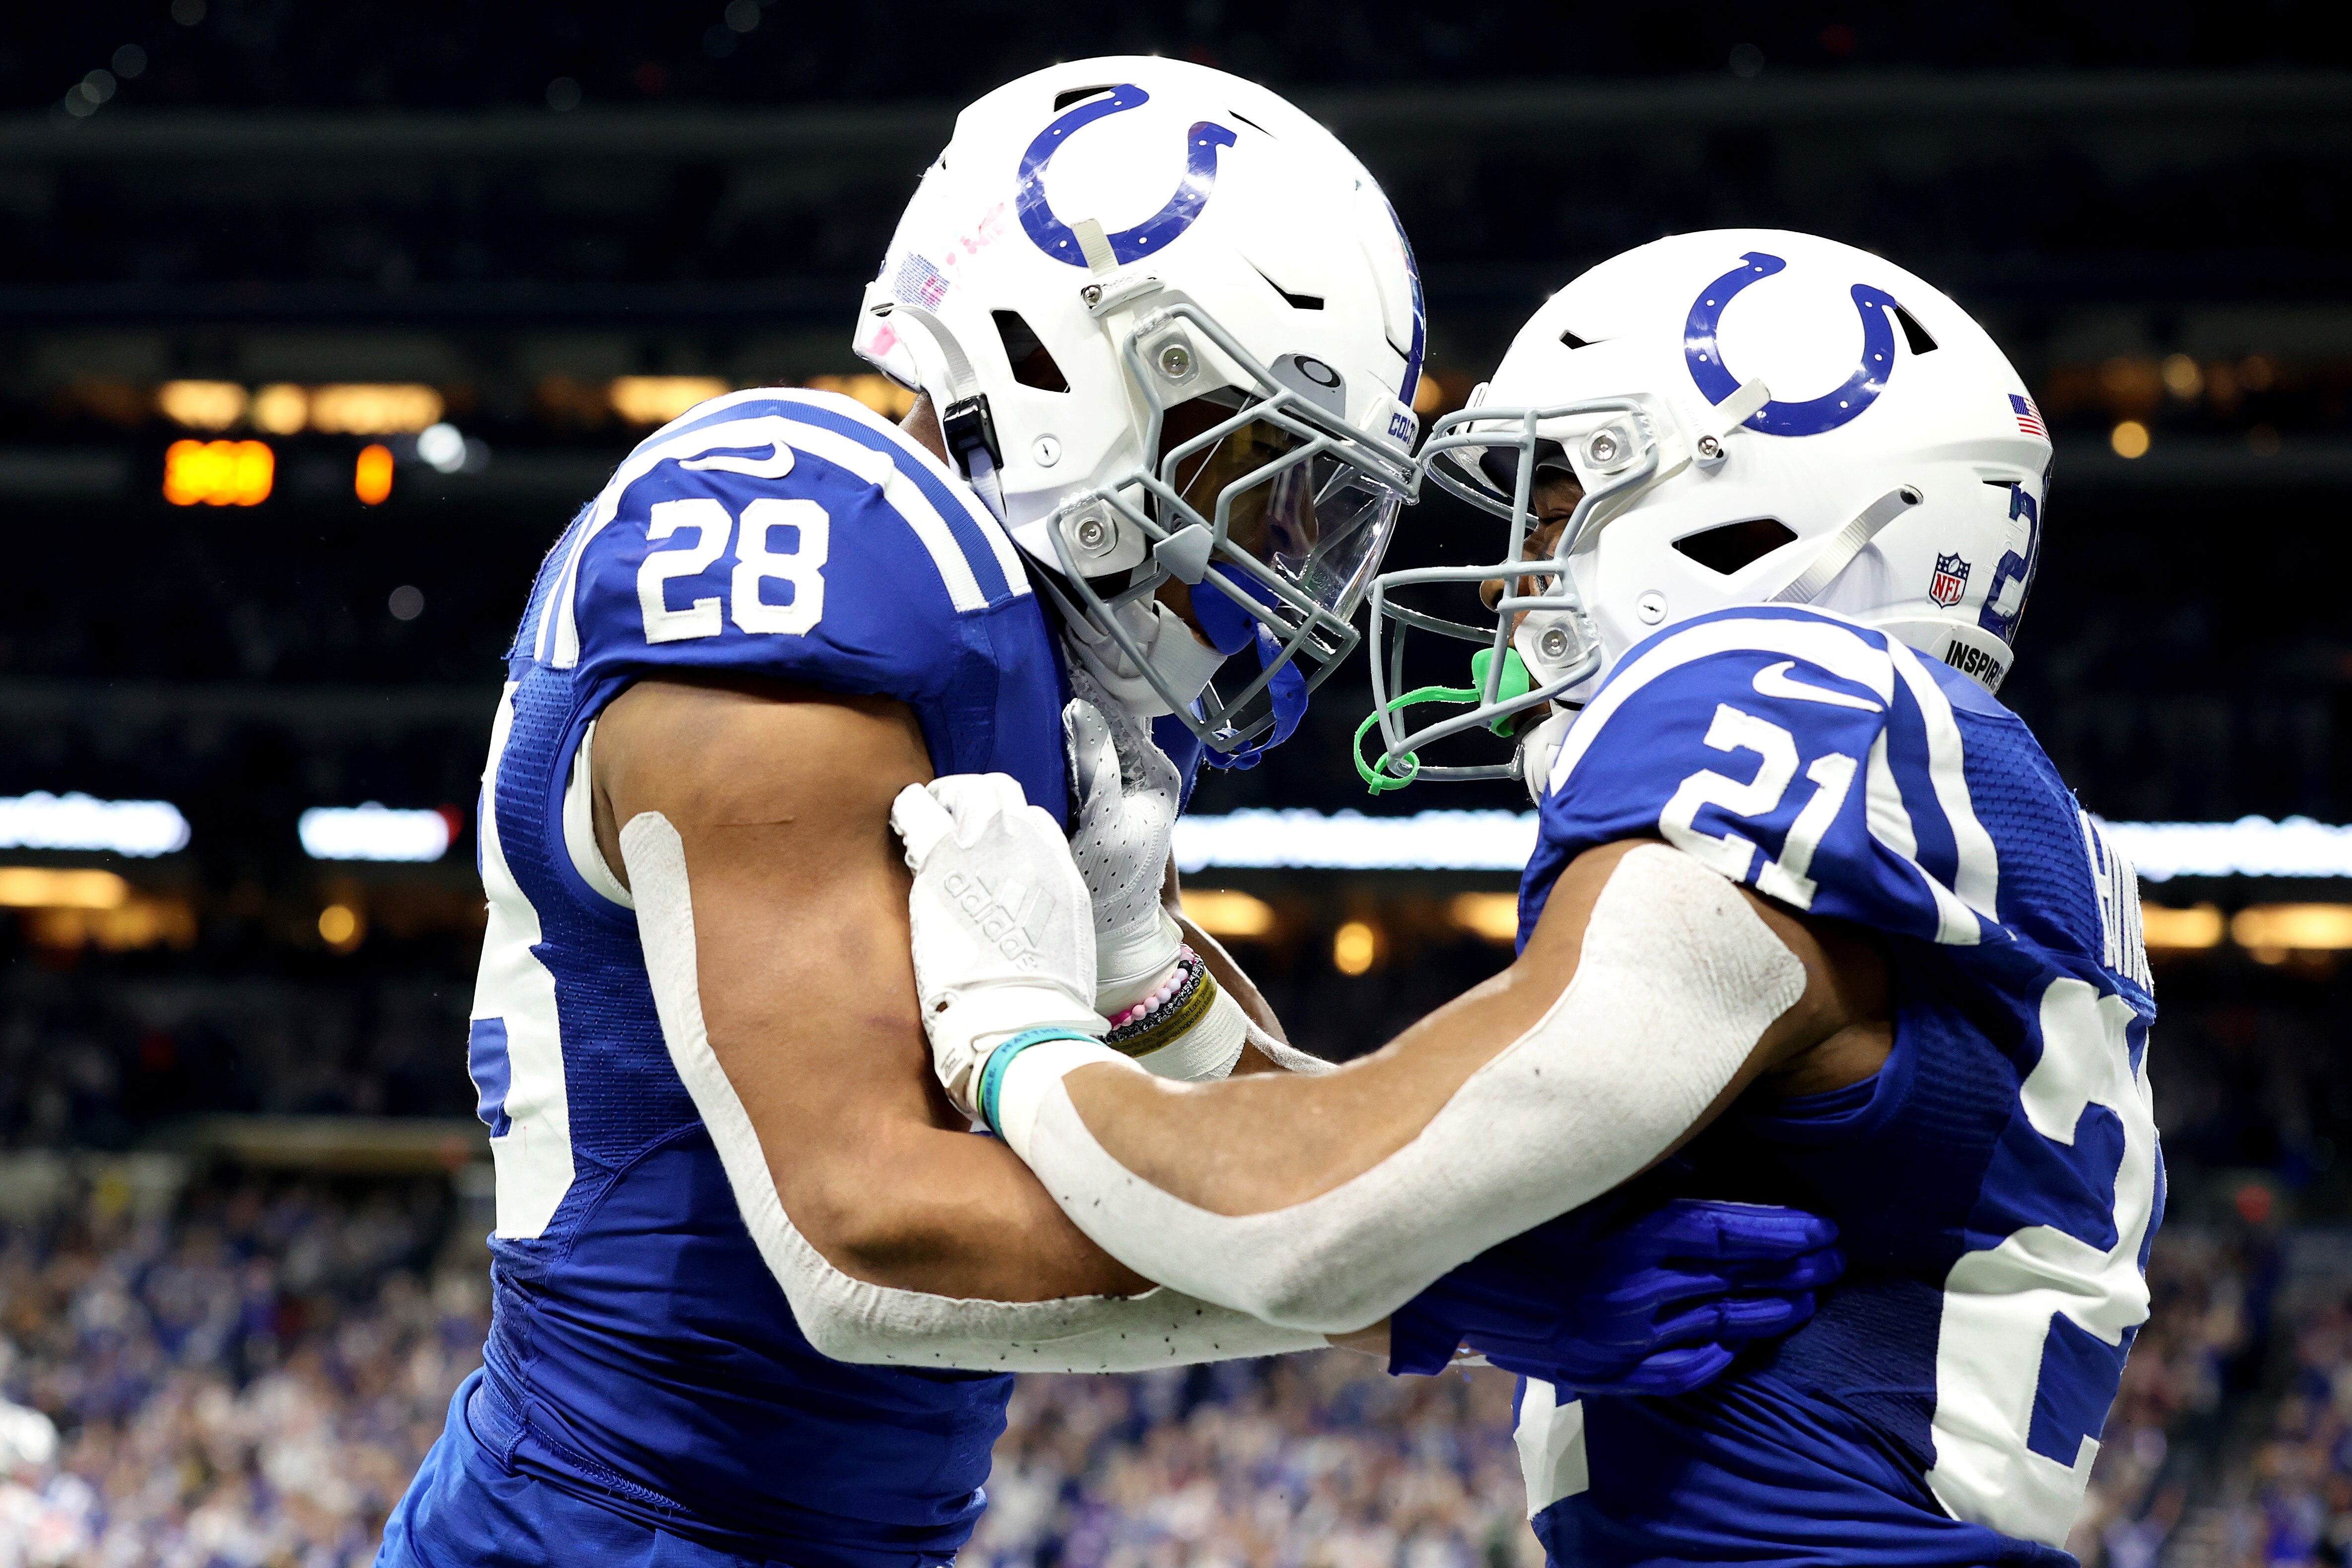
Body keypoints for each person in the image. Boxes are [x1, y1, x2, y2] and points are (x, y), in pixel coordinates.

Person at [375, 64, 1838, 1568]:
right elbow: (856, 1240)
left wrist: (1153, 978)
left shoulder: (1016, 649)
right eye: (1252, 463)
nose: (1282, 546)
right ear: (1067, 361)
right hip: (601, 1530)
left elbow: (1224, 1133)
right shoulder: (809, 547)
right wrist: (1436, 1275)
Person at [890, 228, 2162, 1566]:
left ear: (1757, 514)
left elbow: (1314, 1217)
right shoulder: (1959, 808)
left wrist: (1012, 1030)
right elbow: (1404, 1162)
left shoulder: (1778, 703)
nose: (1505, 579)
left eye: (1556, 506)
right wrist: (1145, 967)